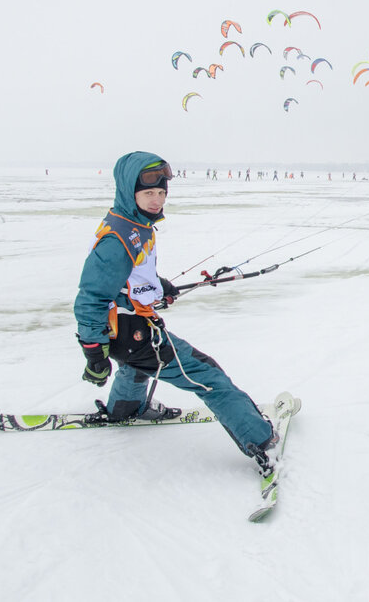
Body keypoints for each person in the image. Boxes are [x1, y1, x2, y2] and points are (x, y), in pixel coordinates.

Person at [74, 151, 279, 479]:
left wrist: (159, 286)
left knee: (139, 364)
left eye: (161, 193)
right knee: (207, 375)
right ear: (131, 192)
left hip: (129, 329)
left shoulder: (134, 224)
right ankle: (261, 439)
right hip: (129, 331)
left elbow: (131, 277)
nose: (157, 201)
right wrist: (93, 353)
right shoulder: (117, 239)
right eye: (148, 194)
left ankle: (126, 407)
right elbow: (91, 297)